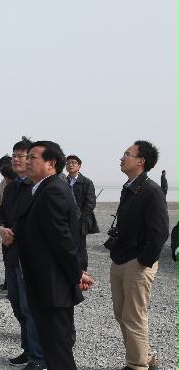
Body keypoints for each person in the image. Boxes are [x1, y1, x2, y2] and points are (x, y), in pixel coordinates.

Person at [16, 141, 94, 370]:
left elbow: (63, 241)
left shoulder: (53, 190)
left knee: (58, 351)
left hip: (53, 286)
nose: (27, 161)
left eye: (33, 157)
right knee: (53, 349)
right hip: (45, 284)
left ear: (51, 163)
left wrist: (76, 274)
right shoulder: (41, 188)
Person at [109, 141, 168, 370]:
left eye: (127, 154)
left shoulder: (151, 191)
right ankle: (146, 357)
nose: (122, 158)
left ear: (141, 161)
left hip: (137, 262)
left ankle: (137, 365)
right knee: (121, 314)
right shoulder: (129, 187)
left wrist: (143, 261)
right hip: (121, 258)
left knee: (134, 317)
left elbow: (160, 232)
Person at [0, 137, 46, 370]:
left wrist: (13, 233)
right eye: (14, 155)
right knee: (18, 306)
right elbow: (2, 214)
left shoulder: (39, 187)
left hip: (30, 257)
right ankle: (28, 349)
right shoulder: (12, 186)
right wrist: (1, 229)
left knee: (31, 307)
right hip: (12, 254)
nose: (15, 159)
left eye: (21, 155)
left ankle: (39, 357)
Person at [65, 155, 98, 271]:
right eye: (68, 162)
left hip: (80, 221)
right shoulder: (62, 181)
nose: (71, 164)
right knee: (66, 245)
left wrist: (80, 217)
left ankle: (82, 271)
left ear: (79, 166)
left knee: (80, 247)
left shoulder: (86, 182)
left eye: (74, 162)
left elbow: (91, 202)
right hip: (65, 220)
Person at [0, 154, 14, 293]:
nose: (1, 172)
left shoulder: (22, 183)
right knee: (6, 257)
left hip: (15, 227)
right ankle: (8, 284)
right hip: (5, 225)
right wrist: (1, 226)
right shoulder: (3, 183)